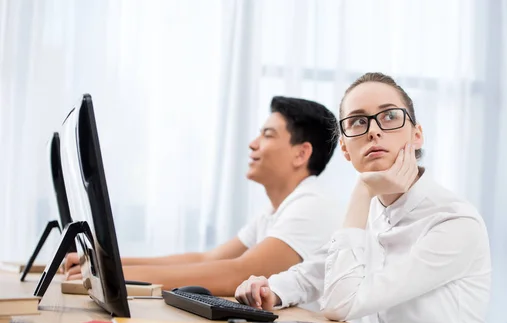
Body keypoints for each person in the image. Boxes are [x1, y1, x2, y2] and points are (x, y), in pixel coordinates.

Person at [235, 72, 507, 323]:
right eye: (358, 122)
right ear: (347, 151)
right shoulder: (376, 212)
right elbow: (314, 273)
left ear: (416, 135)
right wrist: (269, 290)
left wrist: (362, 190)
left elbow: (340, 302)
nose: (374, 130)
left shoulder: (452, 222)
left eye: (389, 116)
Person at [63, 96, 343, 296]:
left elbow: (239, 273)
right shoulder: (274, 211)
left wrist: (112, 275)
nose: (253, 143)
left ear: (301, 153)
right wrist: (106, 261)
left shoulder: (311, 205)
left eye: (268, 135)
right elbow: (207, 259)